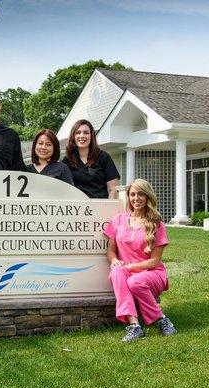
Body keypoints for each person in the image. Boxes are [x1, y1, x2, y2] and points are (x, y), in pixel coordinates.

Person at [103, 179, 177, 342]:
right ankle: (135, 326)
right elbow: (110, 249)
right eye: (133, 194)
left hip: (151, 273)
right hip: (126, 273)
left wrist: (129, 266)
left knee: (135, 281)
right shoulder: (118, 220)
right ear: (128, 197)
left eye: (141, 194)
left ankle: (161, 319)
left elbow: (154, 261)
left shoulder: (156, 224)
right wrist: (114, 260)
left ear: (147, 197)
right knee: (116, 271)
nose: (136, 198)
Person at [62, 119, 119, 198]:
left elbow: (113, 189)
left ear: (91, 136)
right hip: (78, 207)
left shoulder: (104, 157)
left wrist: (109, 209)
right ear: (73, 136)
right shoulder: (66, 161)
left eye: (86, 133)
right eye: (78, 132)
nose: (82, 136)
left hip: (101, 206)